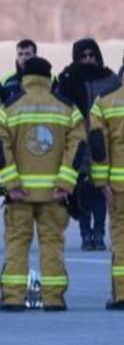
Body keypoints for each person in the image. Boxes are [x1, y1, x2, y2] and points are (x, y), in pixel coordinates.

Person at [0, 57, 85, 312]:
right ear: (49, 77)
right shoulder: (67, 108)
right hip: (55, 194)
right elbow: (77, 146)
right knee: (52, 244)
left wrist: (11, 183)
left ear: (24, 77)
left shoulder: (8, 108)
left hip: (19, 194)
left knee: (17, 245)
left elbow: (0, 147)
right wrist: (65, 183)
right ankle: (54, 298)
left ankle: (12, 298)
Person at [56, 38, 119, 251]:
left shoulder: (109, 78)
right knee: (81, 190)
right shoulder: (68, 78)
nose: (88, 60)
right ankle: (85, 234)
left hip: (103, 141)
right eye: (83, 56)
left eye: (92, 55)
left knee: (100, 188)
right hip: (78, 142)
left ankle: (99, 233)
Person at [88, 64, 124, 310]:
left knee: (121, 241)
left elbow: (98, 147)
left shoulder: (104, 104)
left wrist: (102, 182)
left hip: (118, 186)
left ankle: (121, 294)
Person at [0, 39, 39, 104]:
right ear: (17, 56)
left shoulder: (49, 80)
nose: (24, 58)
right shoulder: (5, 82)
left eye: (27, 54)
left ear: (35, 56)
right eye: (20, 54)